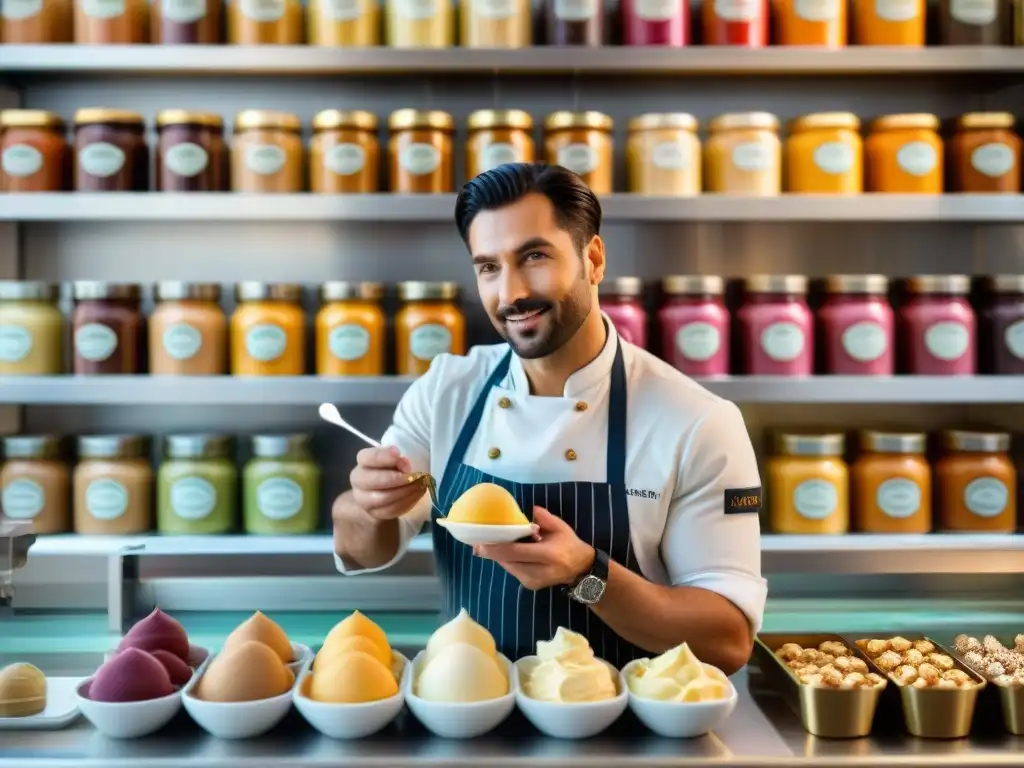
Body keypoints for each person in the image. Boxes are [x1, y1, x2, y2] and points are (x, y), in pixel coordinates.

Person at [332, 162, 766, 674]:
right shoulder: (446, 390)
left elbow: (727, 640)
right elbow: (361, 550)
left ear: (594, 257)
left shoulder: (697, 421)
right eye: (488, 267)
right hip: (465, 715)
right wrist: (368, 505)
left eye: (534, 256)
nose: (510, 293)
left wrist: (586, 572)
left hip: (629, 734)